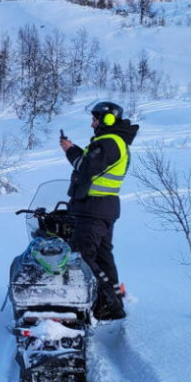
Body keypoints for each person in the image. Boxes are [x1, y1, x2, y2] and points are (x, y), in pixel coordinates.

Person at [59, 101, 139, 321]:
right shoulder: (112, 141)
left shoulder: (109, 142)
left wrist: (69, 151)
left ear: (108, 119)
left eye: (95, 119)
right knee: (103, 257)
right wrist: (73, 149)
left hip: (94, 209)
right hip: (100, 208)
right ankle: (112, 302)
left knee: (82, 255)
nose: (92, 123)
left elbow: (85, 168)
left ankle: (108, 303)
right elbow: (90, 165)